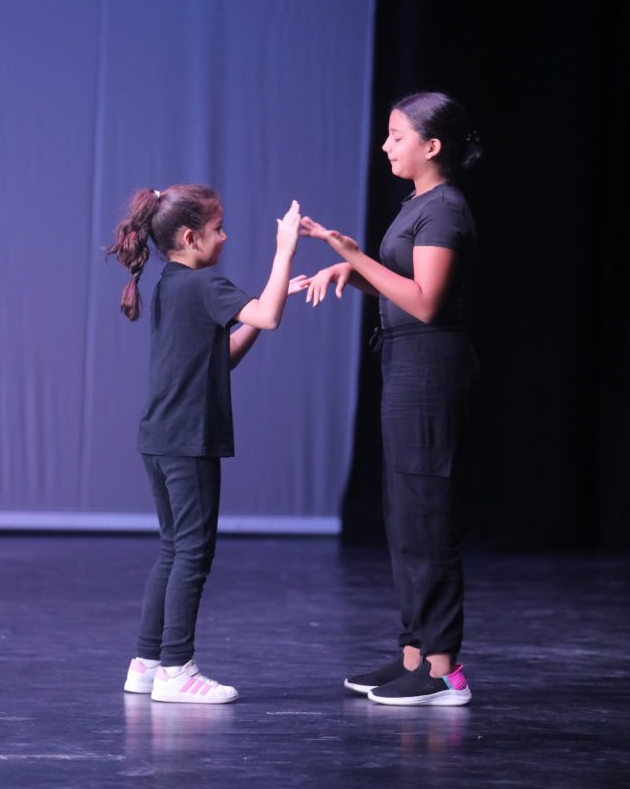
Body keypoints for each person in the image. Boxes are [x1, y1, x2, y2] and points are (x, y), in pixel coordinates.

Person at [301, 91, 482, 707]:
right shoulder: (417, 206)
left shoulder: (446, 209)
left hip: (432, 369)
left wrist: (354, 257)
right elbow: (402, 286)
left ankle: (443, 670)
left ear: (432, 146)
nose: (385, 146)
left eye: (396, 136)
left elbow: (426, 301)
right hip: (405, 366)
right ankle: (413, 655)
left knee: (426, 514)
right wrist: (350, 274)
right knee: (403, 514)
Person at [107, 185, 303, 704]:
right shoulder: (203, 283)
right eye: (218, 229)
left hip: (161, 437)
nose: (225, 237)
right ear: (191, 238)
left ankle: (147, 664)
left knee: (174, 548)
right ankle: (177, 669)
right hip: (187, 440)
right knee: (192, 551)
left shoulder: (173, 284)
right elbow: (268, 315)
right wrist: (284, 252)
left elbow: (225, 354)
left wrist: (270, 298)